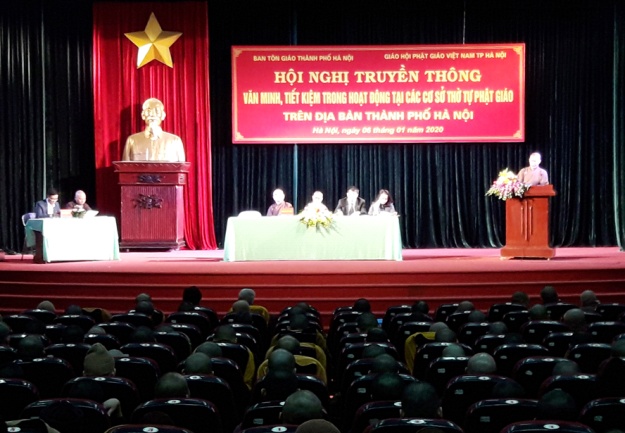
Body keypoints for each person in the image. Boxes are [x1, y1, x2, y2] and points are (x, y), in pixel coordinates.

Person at [122, 97, 185, 162]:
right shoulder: (132, 140)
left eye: (156, 111)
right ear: (143, 115)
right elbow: (125, 168)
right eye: (149, 112)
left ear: (163, 115)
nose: (152, 115)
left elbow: (181, 169)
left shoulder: (175, 141)